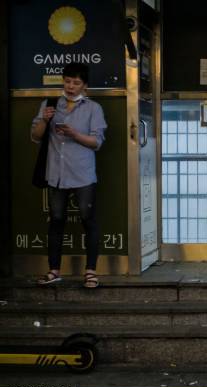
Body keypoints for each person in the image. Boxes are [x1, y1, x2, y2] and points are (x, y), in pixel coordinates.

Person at [31, 63, 107, 288]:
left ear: (85, 85)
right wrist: (44, 120)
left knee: (88, 220)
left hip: (83, 174)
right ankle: (54, 270)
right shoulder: (50, 104)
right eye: (67, 81)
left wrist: (74, 133)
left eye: (76, 83)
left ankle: (91, 271)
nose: (71, 86)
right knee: (55, 221)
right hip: (56, 173)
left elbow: (97, 142)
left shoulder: (93, 108)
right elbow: (35, 136)